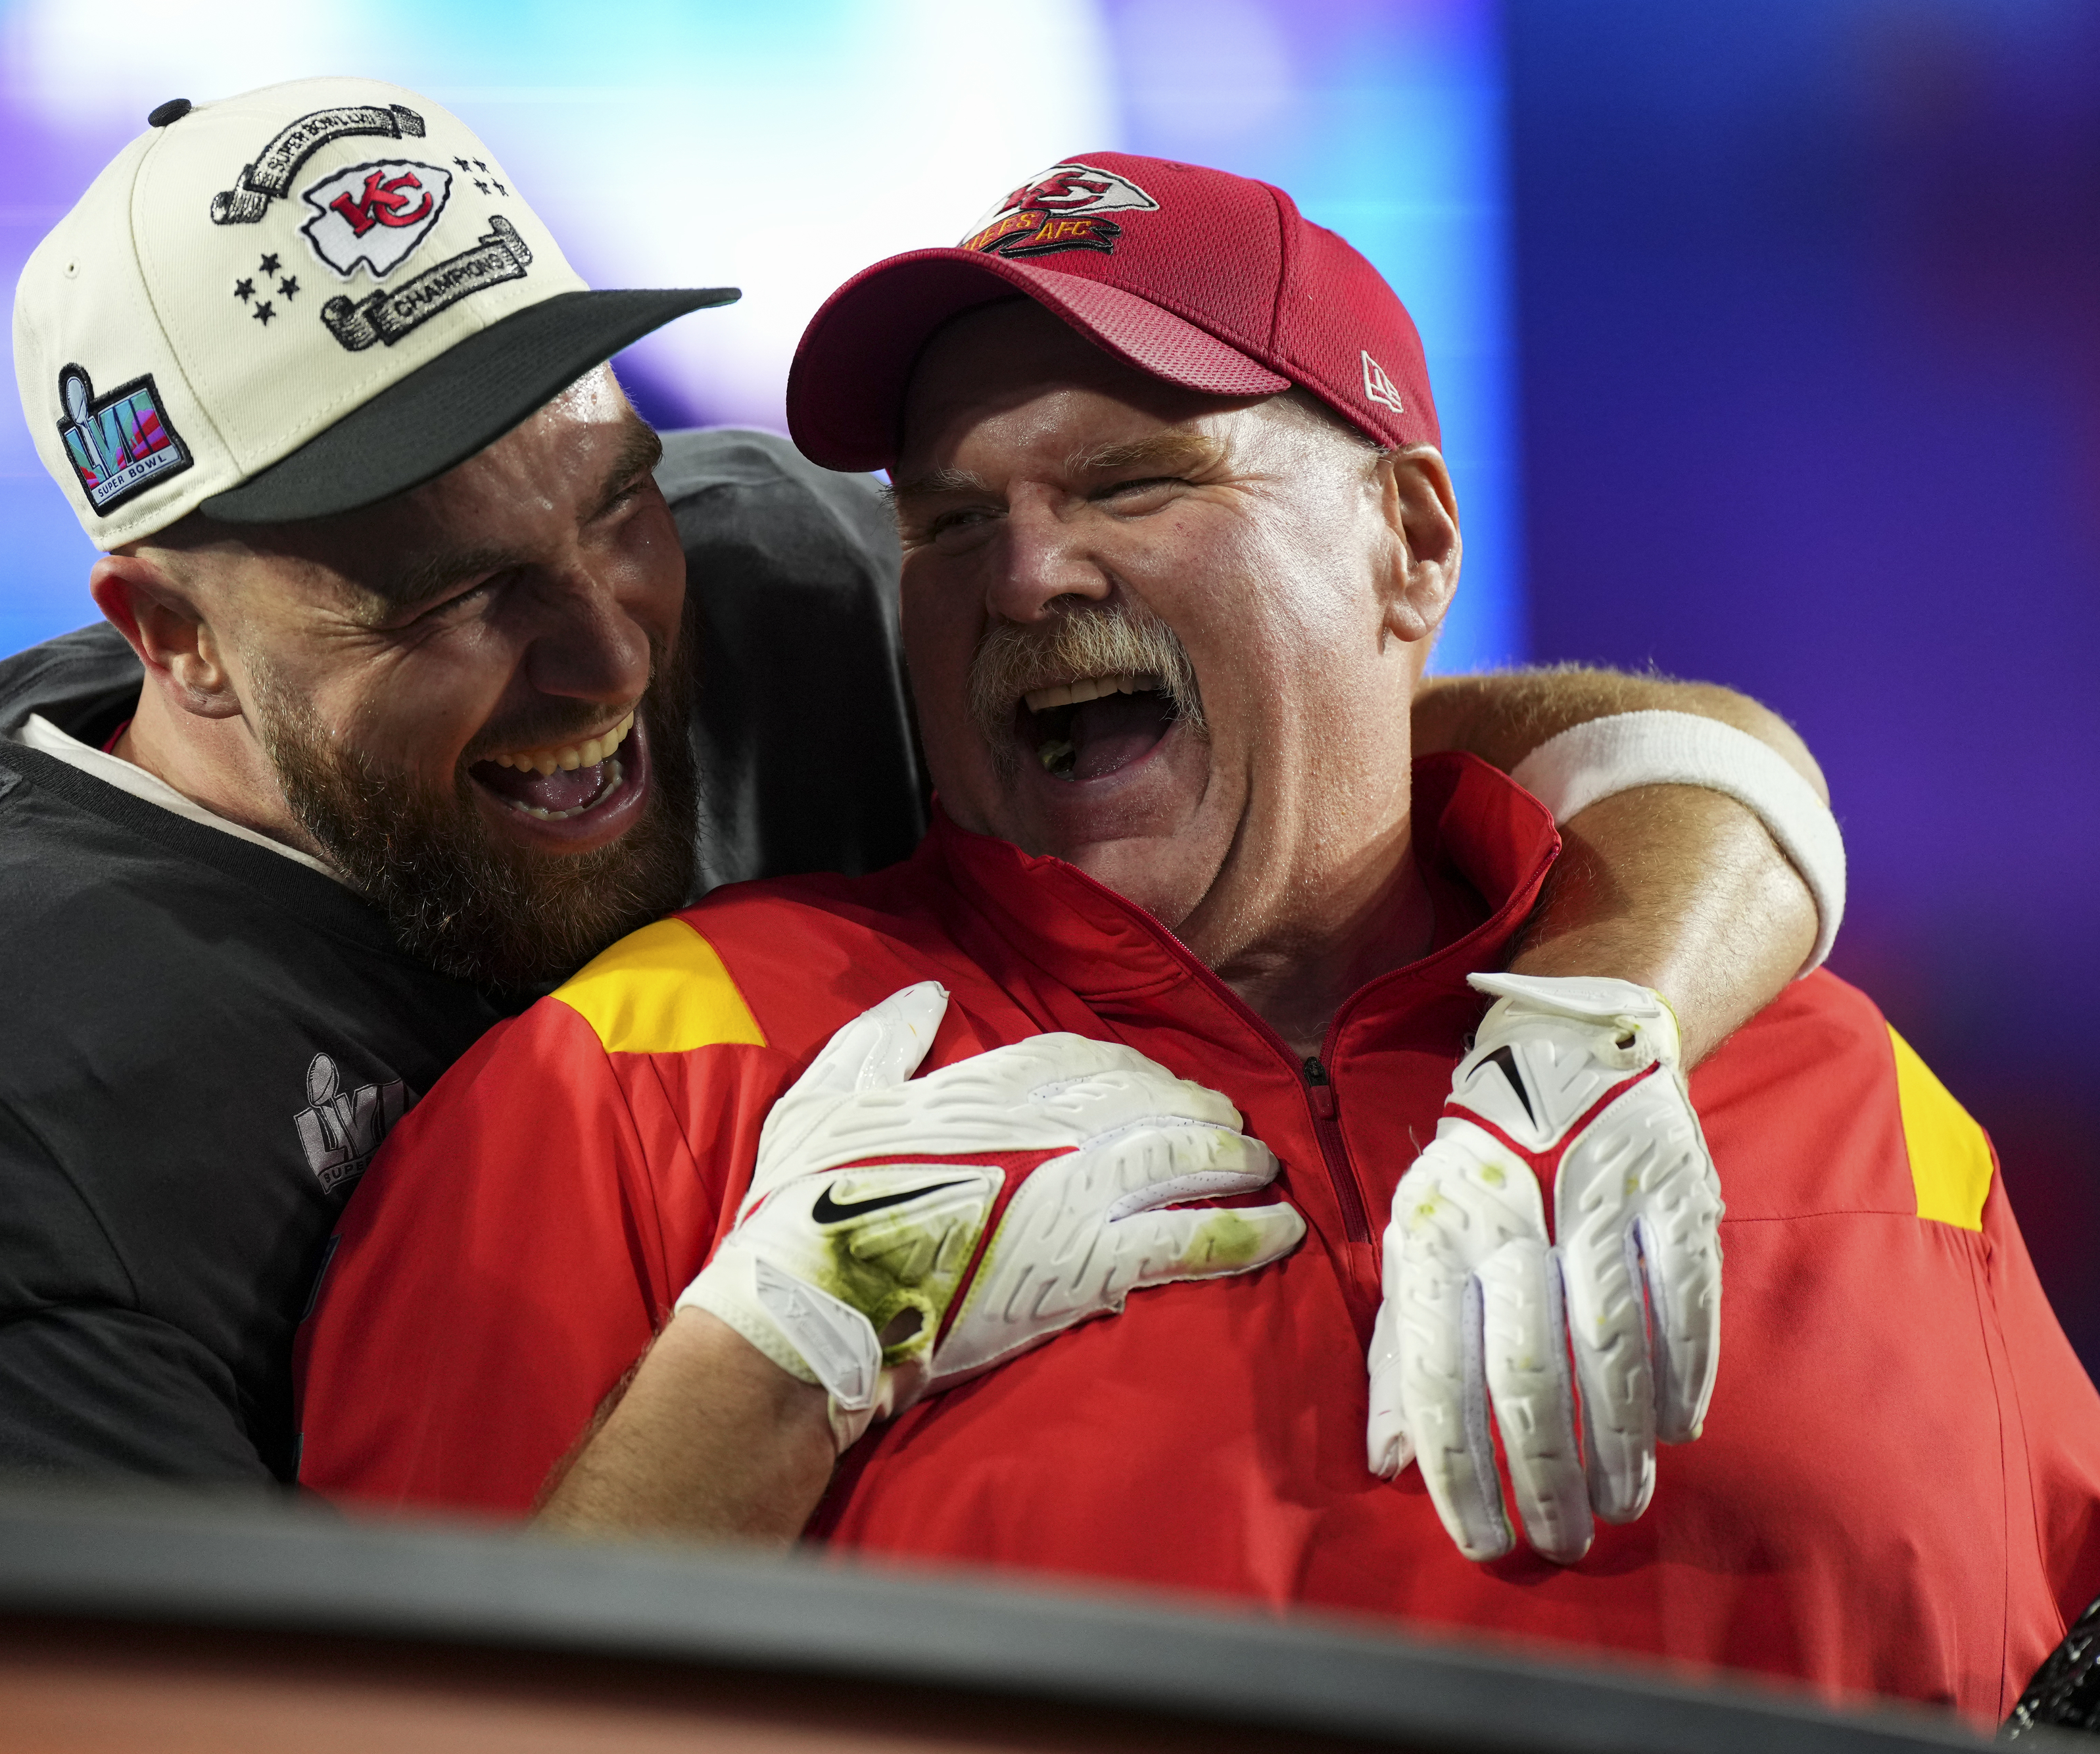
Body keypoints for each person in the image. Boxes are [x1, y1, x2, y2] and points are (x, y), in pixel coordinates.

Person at [0, 82, 1813, 1490]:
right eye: (443, 594)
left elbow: (1501, 744)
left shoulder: (761, 579)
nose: (599, 654)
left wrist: (1603, 1015)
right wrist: (783, 1349)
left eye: (604, 503)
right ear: (172, 636)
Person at [292, 153, 2100, 1724]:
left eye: (1134, 483)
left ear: (1410, 539)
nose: (1026, 574)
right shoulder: (643, 1083)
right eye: (945, 522)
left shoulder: (1828, 1077)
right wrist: (762, 1372)